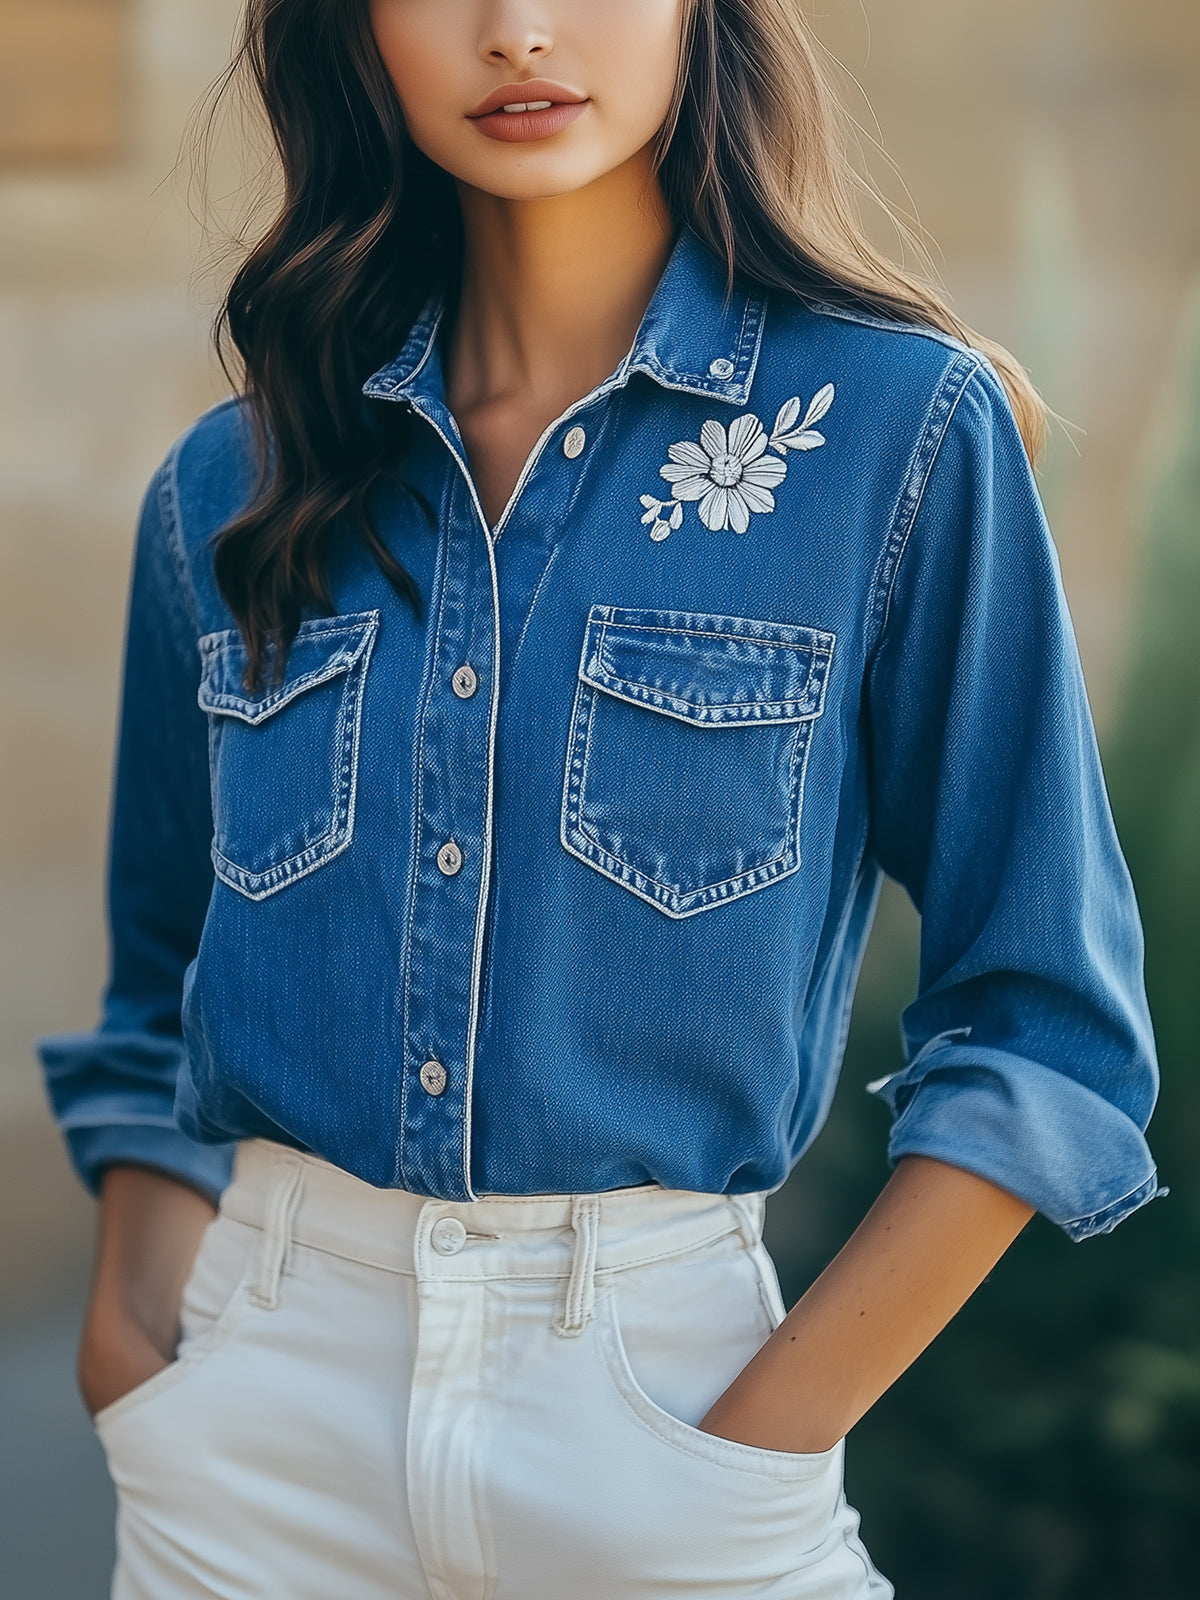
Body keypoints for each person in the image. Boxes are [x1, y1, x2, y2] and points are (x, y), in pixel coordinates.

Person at [35, 2, 1163, 1596]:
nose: (521, 30)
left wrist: (759, 1441)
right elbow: (161, 983)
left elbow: (1048, 1025)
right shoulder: (233, 488)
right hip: (250, 1448)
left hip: (674, 1433)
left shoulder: (896, 440)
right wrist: (135, 1347)